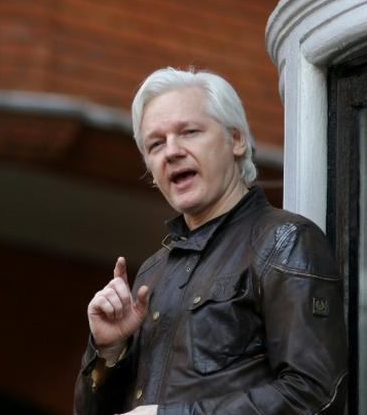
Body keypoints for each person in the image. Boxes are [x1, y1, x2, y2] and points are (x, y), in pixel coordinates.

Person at [73, 67, 348, 415]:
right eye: (155, 143)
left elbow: (317, 395)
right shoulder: (152, 272)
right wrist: (108, 350)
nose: (171, 151)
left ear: (236, 140)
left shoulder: (284, 241)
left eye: (189, 132)